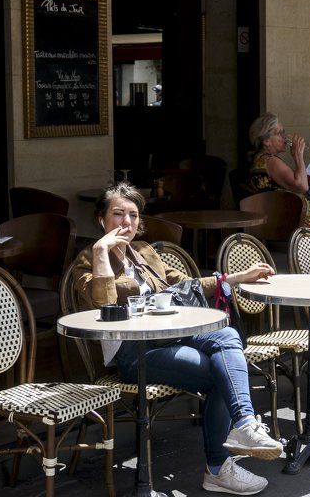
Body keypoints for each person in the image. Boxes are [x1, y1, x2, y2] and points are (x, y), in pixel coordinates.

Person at [70, 183, 280, 495]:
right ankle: (220, 467)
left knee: (226, 336)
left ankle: (245, 426)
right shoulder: (87, 260)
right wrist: (102, 251)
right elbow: (104, 301)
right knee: (222, 373)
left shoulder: (144, 252)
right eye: (118, 214)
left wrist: (234, 278)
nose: (127, 222)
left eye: (133, 215)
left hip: (172, 337)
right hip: (134, 352)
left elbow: (186, 284)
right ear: (102, 219)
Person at [248, 113, 310, 243]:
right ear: (266, 141)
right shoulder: (271, 161)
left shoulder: (261, 159)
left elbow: (287, 196)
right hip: (291, 222)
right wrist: (298, 155)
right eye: (279, 133)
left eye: (283, 132)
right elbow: (302, 186)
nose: (284, 137)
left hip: (281, 218)